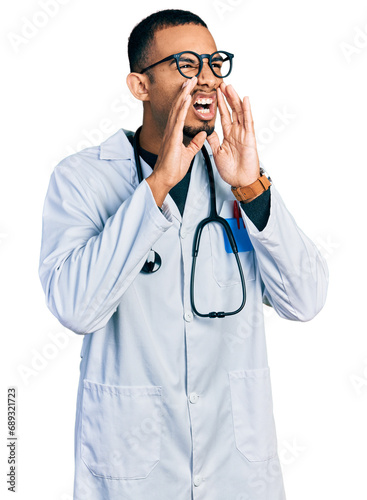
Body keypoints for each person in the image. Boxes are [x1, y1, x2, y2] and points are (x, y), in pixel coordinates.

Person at [38, 9, 328, 500]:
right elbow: (76, 308)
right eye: (187, 65)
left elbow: (306, 300)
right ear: (140, 85)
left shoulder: (237, 176)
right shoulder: (83, 179)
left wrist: (252, 189)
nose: (208, 79)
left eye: (215, 63)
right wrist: (158, 187)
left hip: (236, 472)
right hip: (134, 470)